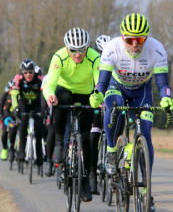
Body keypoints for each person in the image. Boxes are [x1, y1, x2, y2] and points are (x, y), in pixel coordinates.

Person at [89, 13, 173, 211]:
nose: (135, 44)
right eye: (130, 40)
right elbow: (102, 83)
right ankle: (111, 151)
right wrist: (97, 95)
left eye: (140, 40)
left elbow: (163, 83)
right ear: (122, 38)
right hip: (116, 87)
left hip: (142, 91)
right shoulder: (112, 48)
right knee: (113, 110)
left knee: (145, 133)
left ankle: (146, 190)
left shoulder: (157, 49)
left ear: (146, 38)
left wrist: (166, 97)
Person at [43, 27, 100, 202]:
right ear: (67, 48)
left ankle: (86, 183)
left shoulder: (94, 57)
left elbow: (100, 82)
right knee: (62, 100)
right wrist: (50, 95)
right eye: (73, 50)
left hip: (85, 94)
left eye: (82, 50)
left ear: (87, 48)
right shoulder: (59, 56)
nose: (77, 54)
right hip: (64, 90)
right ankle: (59, 142)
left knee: (86, 139)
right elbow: (50, 83)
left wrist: (98, 96)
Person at [10, 59, 45, 167]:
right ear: (22, 72)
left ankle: (39, 154)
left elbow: (45, 93)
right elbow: (14, 94)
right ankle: (21, 151)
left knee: (39, 127)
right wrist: (15, 108)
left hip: (37, 104)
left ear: (34, 71)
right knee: (23, 122)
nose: (28, 75)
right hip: (23, 104)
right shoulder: (18, 78)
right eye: (25, 72)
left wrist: (45, 109)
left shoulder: (40, 78)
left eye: (30, 72)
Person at [88, 34, 111, 194]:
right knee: (93, 137)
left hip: (110, 100)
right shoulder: (93, 64)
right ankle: (92, 177)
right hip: (94, 101)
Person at [0, 79, 14, 160]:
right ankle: (4, 149)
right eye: (11, 88)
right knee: (4, 134)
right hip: (6, 118)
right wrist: (0, 116)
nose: (12, 90)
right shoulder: (5, 95)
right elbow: (0, 106)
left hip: (16, 118)